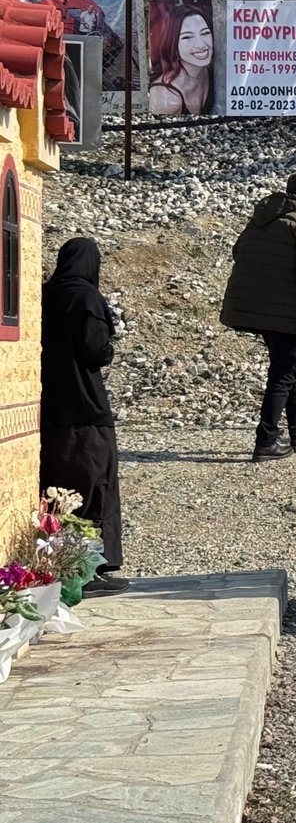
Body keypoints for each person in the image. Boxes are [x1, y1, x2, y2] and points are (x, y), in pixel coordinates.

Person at [220, 170, 296, 460]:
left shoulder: (262, 217)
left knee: (294, 367)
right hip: (286, 310)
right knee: (284, 372)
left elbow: (238, 252)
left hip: (260, 307)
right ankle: (267, 439)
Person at [40, 238, 127, 595]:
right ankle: (89, 570)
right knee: (95, 485)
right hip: (86, 407)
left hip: (49, 409)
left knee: (58, 487)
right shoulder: (86, 298)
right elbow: (96, 351)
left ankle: (58, 563)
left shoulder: (44, 294)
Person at [147, 1, 213, 116]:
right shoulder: (167, 98)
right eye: (187, 37)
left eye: (205, 33)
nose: (200, 44)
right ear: (173, 44)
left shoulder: (213, 73)